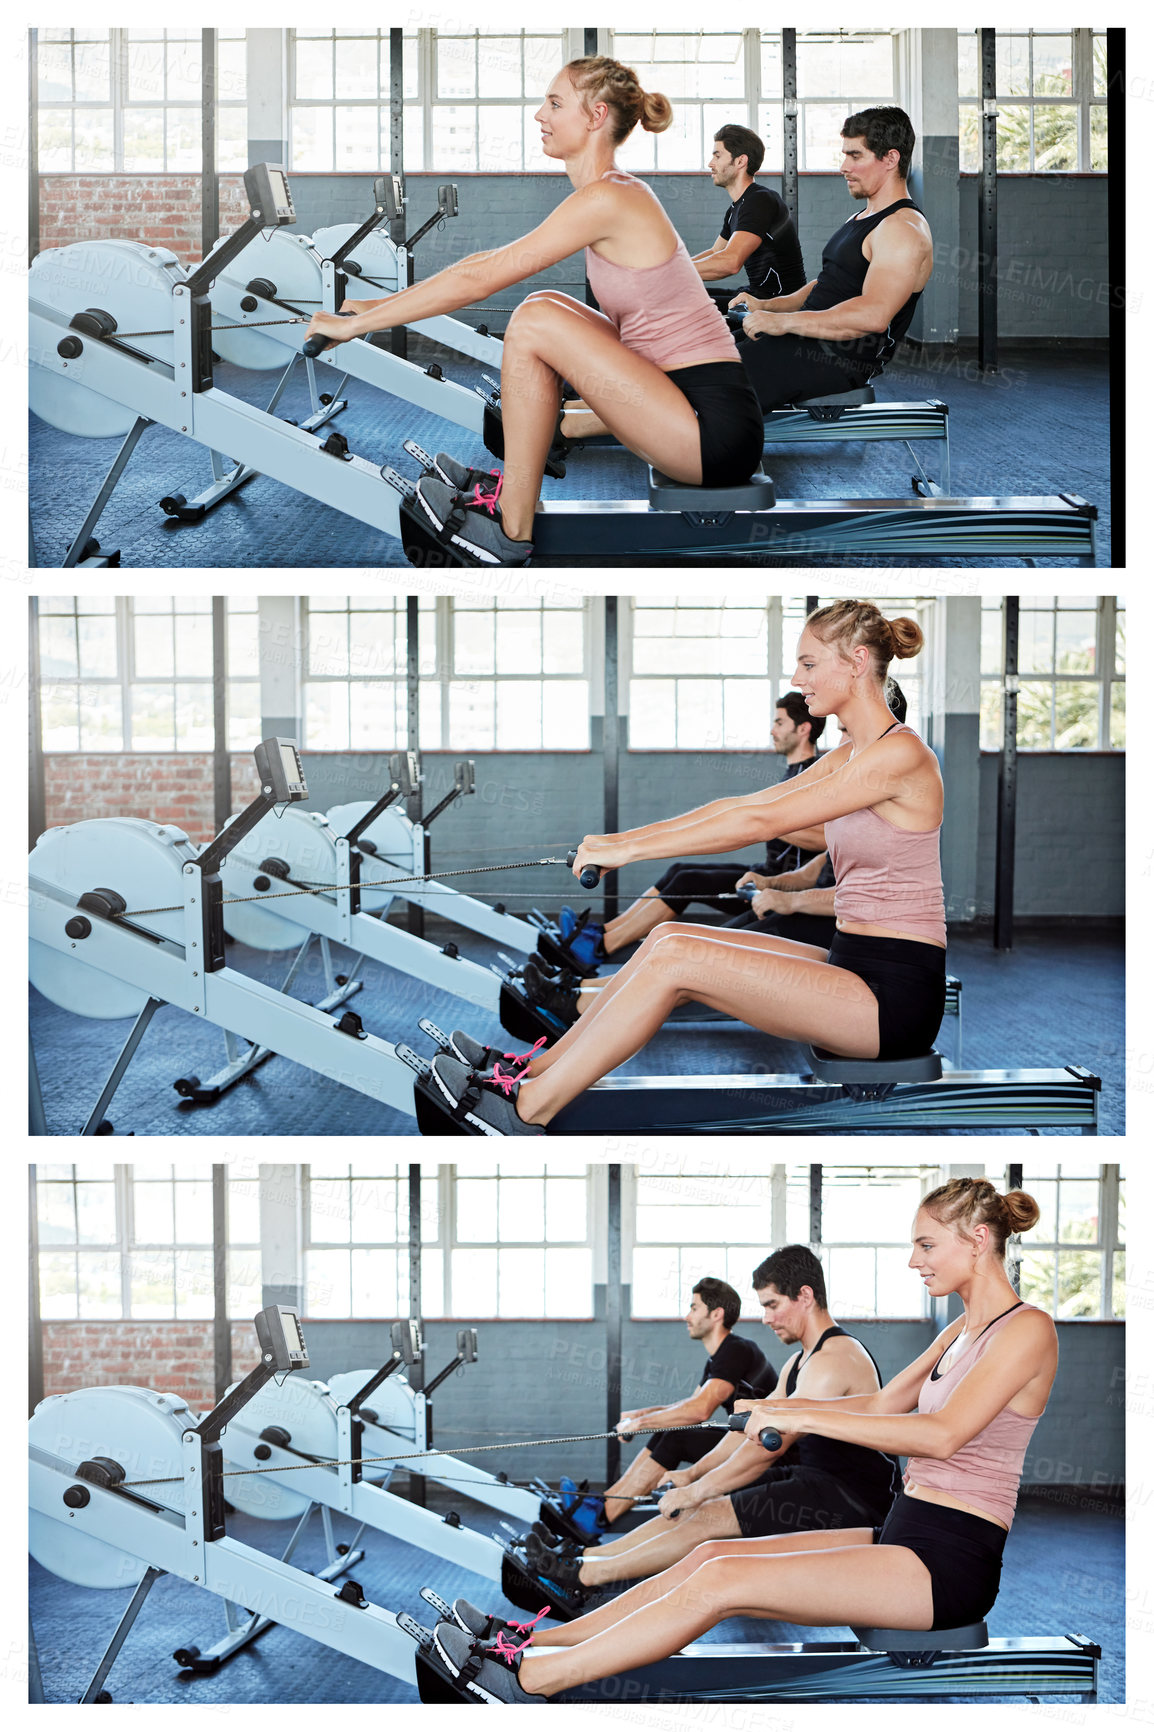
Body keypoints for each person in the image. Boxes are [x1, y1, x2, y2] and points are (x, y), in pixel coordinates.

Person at [428, 1178, 1056, 1704]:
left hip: (950, 1560)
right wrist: (779, 1408)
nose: (914, 1261)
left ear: (978, 1242)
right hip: (902, 1530)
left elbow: (941, 1435)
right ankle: (534, 1641)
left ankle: (532, 1683)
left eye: (926, 1245)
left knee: (725, 1586)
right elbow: (887, 1403)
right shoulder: (958, 1333)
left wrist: (803, 1419)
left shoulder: (1027, 1331)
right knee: (709, 1559)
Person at [427, 599, 945, 1136]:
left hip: (893, 997)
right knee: (667, 936)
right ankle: (530, 1071)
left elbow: (757, 820)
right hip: (850, 962)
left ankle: (526, 1110)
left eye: (809, 664)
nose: (797, 678)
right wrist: (616, 842)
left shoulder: (901, 757)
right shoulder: (852, 754)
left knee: (678, 961)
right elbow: (736, 807)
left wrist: (623, 851)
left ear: (857, 662)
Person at [304, 56, 764, 568]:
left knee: (534, 320)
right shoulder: (612, 194)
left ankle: (511, 527)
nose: (540, 114)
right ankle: (516, 485)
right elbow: (484, 267)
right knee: (543, 306)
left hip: (710, 433)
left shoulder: (610, 198)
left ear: (595, 117)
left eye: (555, 103)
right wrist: (374, 306)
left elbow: (482, 275)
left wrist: (359, 324)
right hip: (683, 407)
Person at [519, 1245, 896, 1595]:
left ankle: (580, 1578)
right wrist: (692, 1477)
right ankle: (587, 1558)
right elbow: (748, 1432)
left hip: (852, 1500)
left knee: (708, 1514)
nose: (765, 1319)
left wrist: (698, 1489)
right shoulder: (799, 1362)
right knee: (699, 1508)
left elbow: (769, 1447)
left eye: (772, 1305)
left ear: (805, 1296)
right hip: (816, 1480)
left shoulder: (835, 1358)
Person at [730, 107, 933, 412]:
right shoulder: (864, 217)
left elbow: (872, 316)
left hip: (838, 359)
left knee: (717, 380)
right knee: (704, 350)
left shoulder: (903, 229)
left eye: (855, 156)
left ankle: (703, 450)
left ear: (890, 159)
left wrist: (782, 323)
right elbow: (826, 286)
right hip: (808, 340)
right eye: (844, 155)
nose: (843, 166)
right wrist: (766, 306)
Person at [723, 682, 907, 950]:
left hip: (849, 929)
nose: (841, 744)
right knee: (700, 940)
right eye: (842, 731)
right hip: (816, 906)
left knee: (710, 953)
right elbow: (820, 868)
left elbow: (862, 897)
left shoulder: (888, 799)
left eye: (848, 731)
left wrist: (791, 901)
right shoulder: (853, 789)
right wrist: (770, 883)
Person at [587, 1277, 772, 1532]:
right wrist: (641, 1415)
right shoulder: (719, 1357)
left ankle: (599, 1518)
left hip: (767, 1451)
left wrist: (639, 1424)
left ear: (716, 1314)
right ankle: (605, 1502)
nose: (687, 1316)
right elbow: (689, 1405)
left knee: (677, 1437)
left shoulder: (735, 1350)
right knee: (671, 1430)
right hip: (746, 1441)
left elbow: (699, 1412)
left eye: (694, 1308)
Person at [693, 126, 807, 309]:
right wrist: (675, 265)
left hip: (776, 304)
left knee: (687, 305)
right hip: (755, 293)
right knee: (689, 296)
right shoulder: (736, 208)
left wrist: (673, 272)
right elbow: (716, 252)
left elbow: (729, 263)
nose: (710, 163)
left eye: (717, 156)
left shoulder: (760, 200)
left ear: (740, 161)